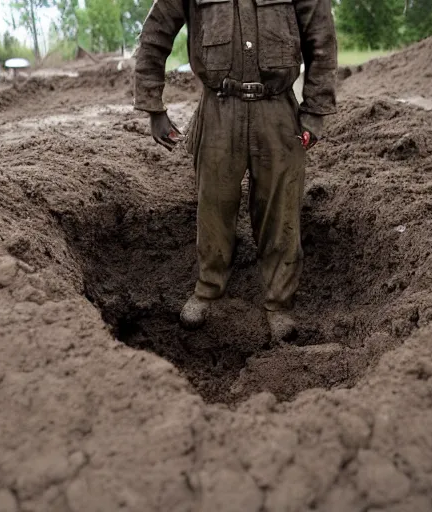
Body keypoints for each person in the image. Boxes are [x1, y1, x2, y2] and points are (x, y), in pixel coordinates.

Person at [133, 0, 337, 342]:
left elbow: (321, 38)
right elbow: (154, 35)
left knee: (281, 211)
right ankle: (209, 291)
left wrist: (315, 111)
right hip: (217, 110)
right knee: (213, 208)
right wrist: (153, 107)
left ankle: (278, 303)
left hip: (278, 112)